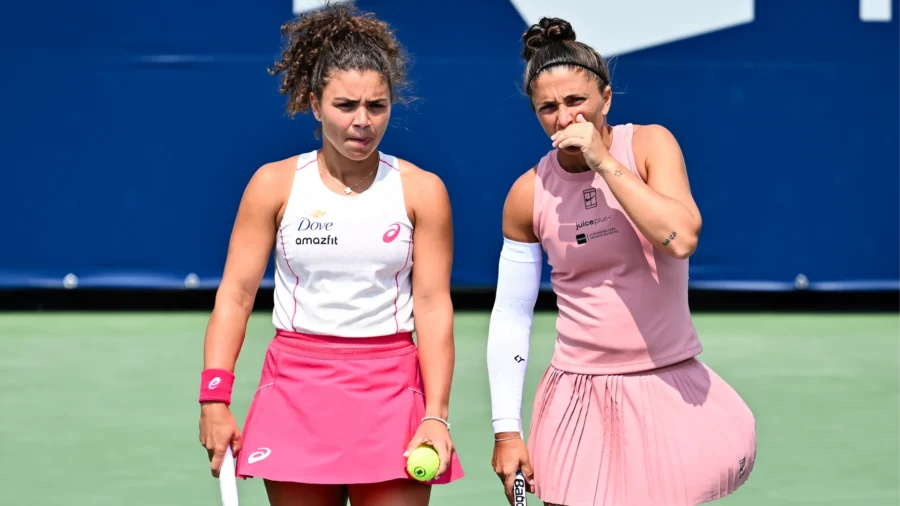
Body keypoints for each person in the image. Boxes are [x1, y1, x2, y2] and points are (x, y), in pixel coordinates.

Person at [196, 3, 464, 505]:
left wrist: (436, 413)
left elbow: (432, 307)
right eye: (346, 106)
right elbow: (234, 297)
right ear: (315, 104)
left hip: (391, 391)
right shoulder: (272, 184)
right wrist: (214, 397)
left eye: (377, 106)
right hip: (296, 389)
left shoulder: (423, 191)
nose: (363, 122)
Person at [486, 16, 757, 506]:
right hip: (577, 398)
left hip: (666, 385)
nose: (564, 118)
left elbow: (680, 238)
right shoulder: (527, 194)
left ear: (605, 99)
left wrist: (603, 163)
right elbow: (510, 316)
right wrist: (507, 431)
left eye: (576, 102)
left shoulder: (651, 145)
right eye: (548, 108)